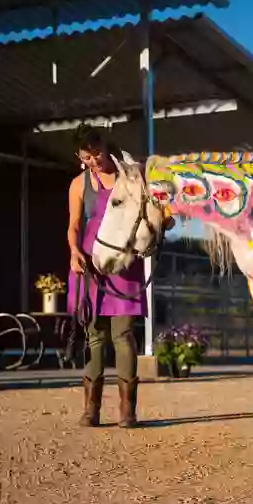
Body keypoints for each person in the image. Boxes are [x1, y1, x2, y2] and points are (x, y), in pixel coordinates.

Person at [66, 124, 171, 428]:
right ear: (79, 156)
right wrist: (74, 251)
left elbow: (160, 206)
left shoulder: (133, 175)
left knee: (123, 336)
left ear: (105, 146)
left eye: (96, 153)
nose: (94, 160)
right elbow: (73, 224)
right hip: (89, 263)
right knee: (95, 338)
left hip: (124, 261)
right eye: (87, 157)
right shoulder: (78, 184)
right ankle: (91, 409)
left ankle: (127, 409)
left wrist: (165, 220)